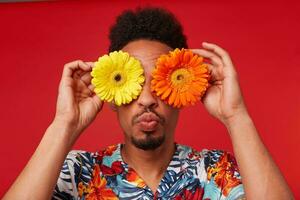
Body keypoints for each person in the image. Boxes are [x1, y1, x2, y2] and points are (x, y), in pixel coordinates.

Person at [3, 7, 294, 200]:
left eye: (159, 83)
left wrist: (236, 115)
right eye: (134, 84)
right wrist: (63, 125)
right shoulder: (76, 170)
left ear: (184, 93)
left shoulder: (217, 171)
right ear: (112, 97)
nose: (146, 100)